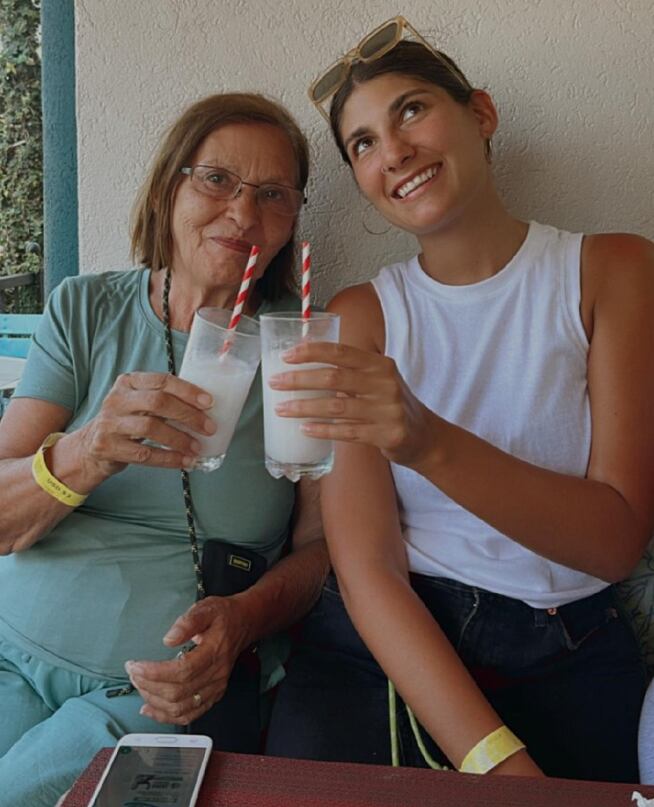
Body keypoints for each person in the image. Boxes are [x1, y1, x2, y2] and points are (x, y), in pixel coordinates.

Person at [265, 17, 654, 781]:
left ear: (481, 113)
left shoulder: (613, 271)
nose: (394, 151)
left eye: (411, 109)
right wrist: (496, 761)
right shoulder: (360, 317)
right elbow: (368, 566)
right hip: (390, 645)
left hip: (568, 647)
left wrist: (426, 441)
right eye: (363, 143)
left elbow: (614, 539)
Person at [0, 92, 330, 806]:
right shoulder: (84, 309)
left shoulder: (300, 348)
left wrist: (244, 621)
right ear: (168, 185)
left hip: (155, 696)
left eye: (272, 194)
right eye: (217, 179)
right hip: (10, 654)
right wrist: (87, 452)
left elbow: (322, 549)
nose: (243, 214)